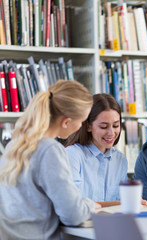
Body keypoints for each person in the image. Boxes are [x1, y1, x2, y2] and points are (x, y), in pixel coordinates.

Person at [0, 80, 100, 240]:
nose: (81, 126)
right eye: (81, 121)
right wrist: (91, 205)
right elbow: (72, 214)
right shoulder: (49, 150)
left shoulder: (15, 145)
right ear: (66, 122)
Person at [65, 93, 128, 207]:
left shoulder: (120, 159)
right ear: (88, 126)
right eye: (103, 126)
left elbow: (122, 205)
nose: (111, 133)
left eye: (116, 125)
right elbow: (73, 205)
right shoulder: (73, 155)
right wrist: (125, 203)